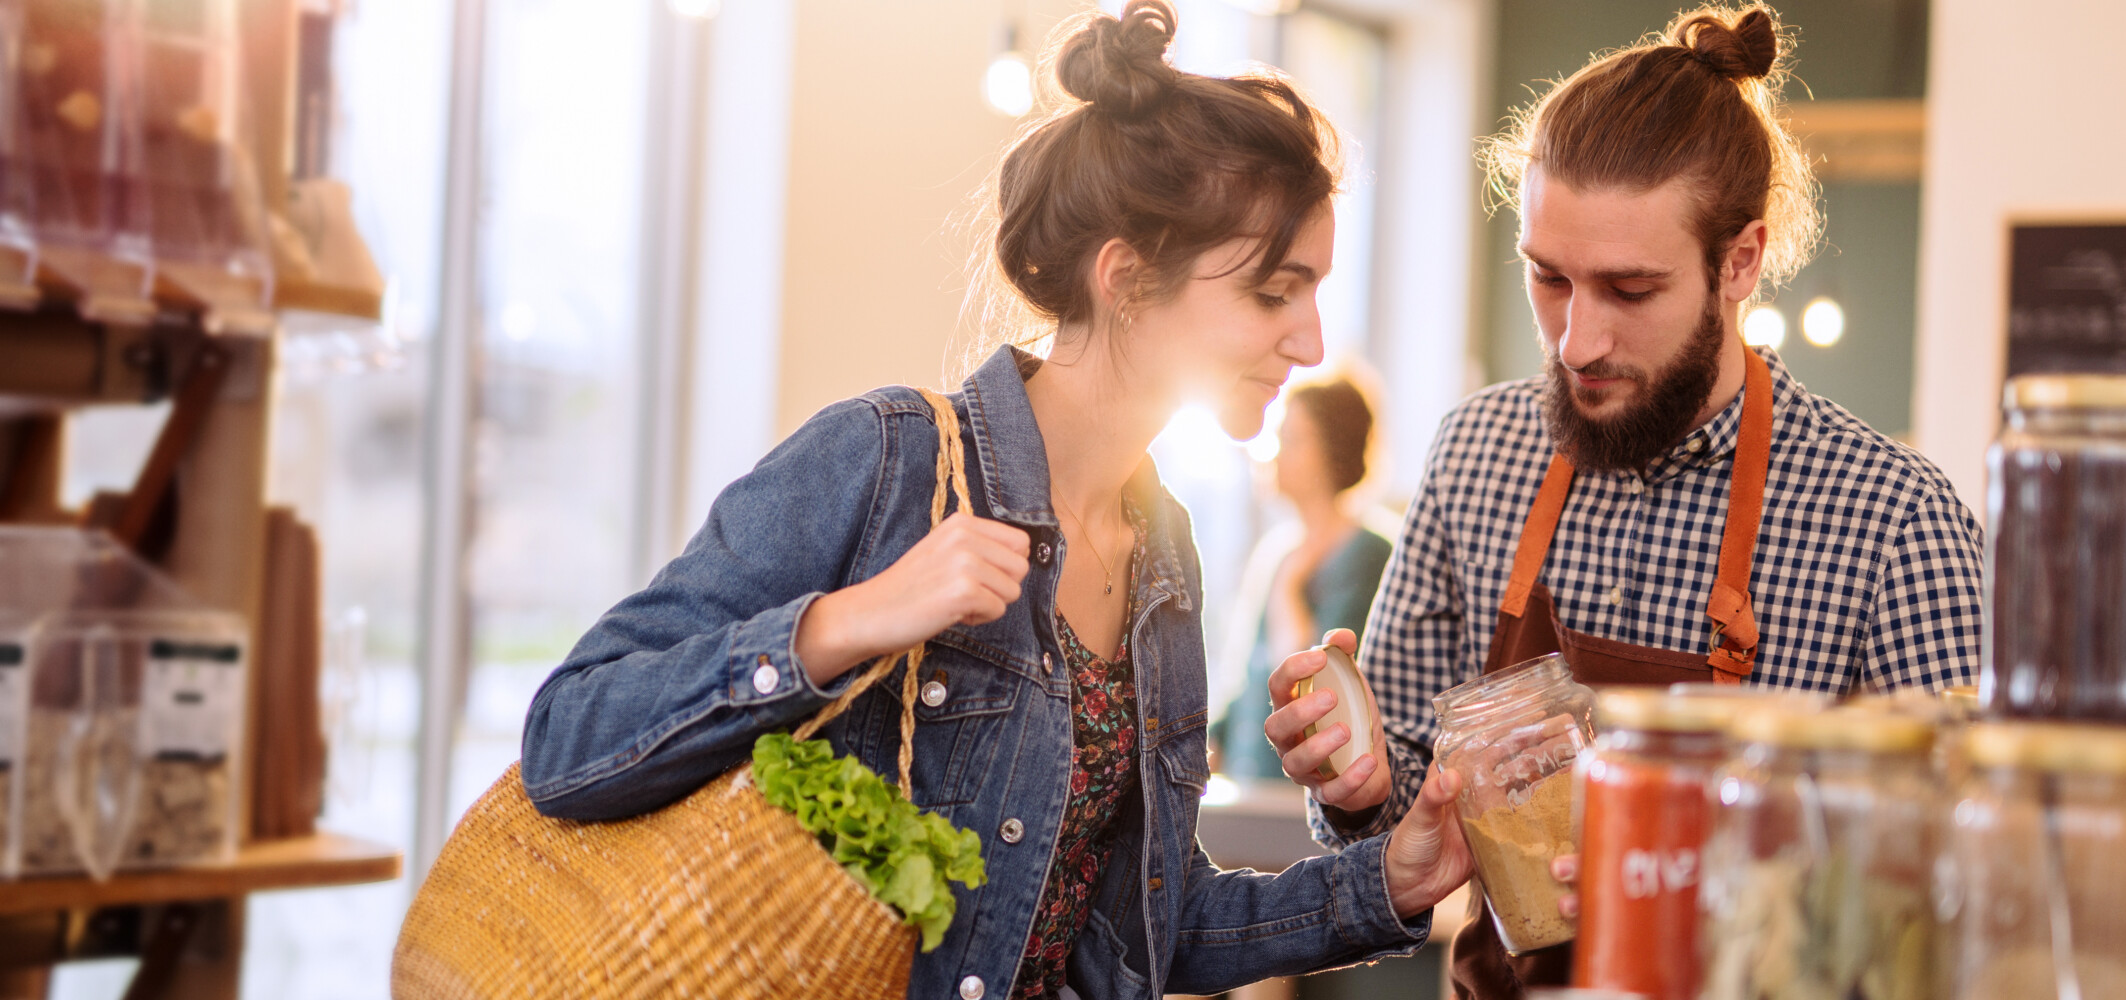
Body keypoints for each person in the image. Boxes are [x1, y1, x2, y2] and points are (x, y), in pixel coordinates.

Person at [517, 5, 1473, 999]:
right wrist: (847, 623)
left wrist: (1386, 884)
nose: (1311, 342)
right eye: (1274, 292)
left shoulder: (1165, 552)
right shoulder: (885, 459)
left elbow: (1146, 923)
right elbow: (567, 737)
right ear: (1127, 280)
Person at [1257, 6, 1986, 999]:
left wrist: (1699, 873)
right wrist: (1360, 786)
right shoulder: (1478, 454)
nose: (1577, 342)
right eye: (1549, 278)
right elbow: (1404, 817)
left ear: (1740, 261)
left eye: (1630, 290)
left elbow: (1960, 888)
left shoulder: (1895, 519)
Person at [1214, 374, 1395, 780]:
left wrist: (1290, 588)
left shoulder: (1367, 555)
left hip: (1305, 790)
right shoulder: (1277, 552)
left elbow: (1309, 683)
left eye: (1292, 439)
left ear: (1333, 452)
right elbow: (1250, 681)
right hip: (1249, 788)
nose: (1273, 453)